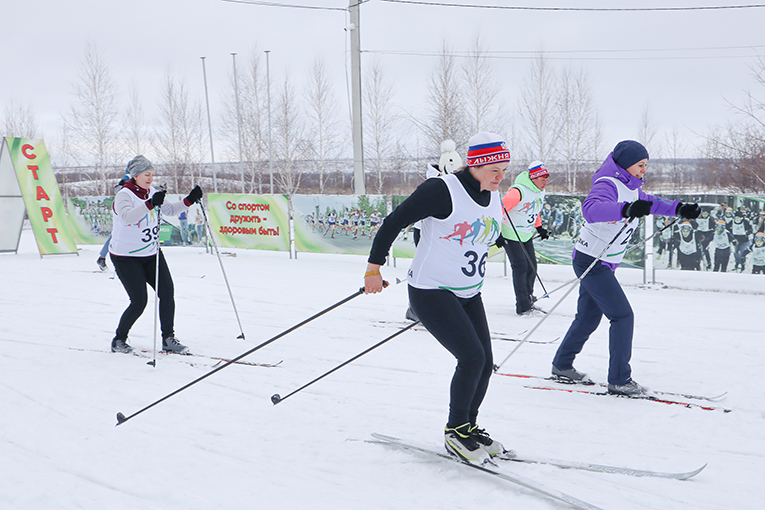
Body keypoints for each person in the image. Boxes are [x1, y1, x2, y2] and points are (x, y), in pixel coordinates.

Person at [365, 132, 508, 465]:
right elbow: (394, 221)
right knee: (471, 357)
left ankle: (468, 427)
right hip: (432, 291)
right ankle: (454, 431)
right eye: (495, 170)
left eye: (504, 169)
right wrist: (374, 268)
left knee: (485, 362)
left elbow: (484, 233)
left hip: (469, 292)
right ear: (475, 164)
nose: (501, 177)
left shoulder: (493, 194)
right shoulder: (442, 190)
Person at [550, 140, 701, 396]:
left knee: (587, 317)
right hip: (592, 261)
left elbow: (652, 203)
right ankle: (619, 380)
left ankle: (562, 365)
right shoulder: (607, 184)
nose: (644, 170)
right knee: (622, 316)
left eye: (646, 165)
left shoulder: (631, 186)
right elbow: (591, 210)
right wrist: (626, 209)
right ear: (627, 164)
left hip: (603, 262)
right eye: (640, 165)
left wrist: (680, 209)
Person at [109, 155, 203, 354]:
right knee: (139, 301)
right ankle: (119, 339)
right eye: (146, 174)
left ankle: (168, 338)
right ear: (135, 176)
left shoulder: (151, 191)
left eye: (152, 174)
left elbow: (168, 209)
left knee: (167, 292)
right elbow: (126, 217)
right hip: (126, 256)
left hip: (151, 253)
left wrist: (189, 200)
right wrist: (150, 204)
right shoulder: (124, 195)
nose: (150, 178)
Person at [405, 139, 463, 322]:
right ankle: (415, 309)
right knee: (430, 273)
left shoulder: (454, 182)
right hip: (426, 232)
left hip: (446, 234)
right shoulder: (434, 183)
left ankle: (445, 309)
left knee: (447, 272)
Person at [497, 161, 549, 315]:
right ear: (533, 178)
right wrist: (497, 233)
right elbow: (498, 209)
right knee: (520, 267)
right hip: (511, 234)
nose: (545, 183)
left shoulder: (539, 191)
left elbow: (535, 209)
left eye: (547, 179)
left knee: (532, 266)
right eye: (542, 180)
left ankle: (528, 298)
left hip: (525, 234)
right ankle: (523, 305)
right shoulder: (518, 191)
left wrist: (539, 227)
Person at [97, 172, 131, 271]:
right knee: (117, 235)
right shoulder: (128, 177)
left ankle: (102, 257)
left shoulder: (137, 177)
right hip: (123, 209)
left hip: (130, 210)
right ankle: (103, 257)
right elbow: (118, 189)